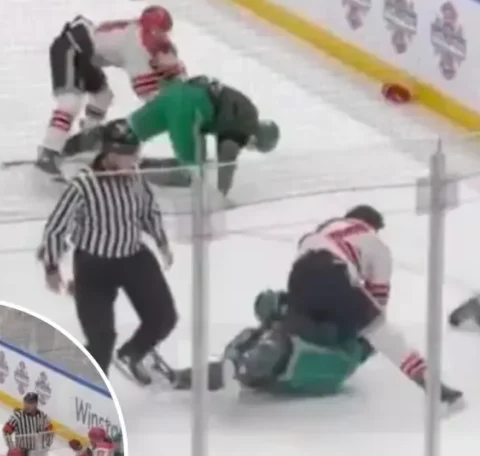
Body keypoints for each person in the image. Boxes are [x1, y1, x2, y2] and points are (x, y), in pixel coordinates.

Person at [169, 206, 465, 408]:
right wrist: (363, 320)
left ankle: (240, 361)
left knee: (293, 331)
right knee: (383, 335)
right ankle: (431, 384)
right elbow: (378, 303)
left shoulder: (326, 229)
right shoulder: (375, 243)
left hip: (300, 275)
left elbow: (306, 254)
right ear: (373, 226)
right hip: (333, 274)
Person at [38, 121, 176, 382]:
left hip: (134, 257)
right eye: (128, 154)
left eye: (136, 152)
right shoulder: (84, 184)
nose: (134, 159)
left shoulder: (135, 177)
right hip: (94, 266)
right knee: (101, 339)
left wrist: (161, 242)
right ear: (110, 154)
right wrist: (52, 267)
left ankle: (132, 353)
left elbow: (149, 211)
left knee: (163, 317)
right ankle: (82, 384)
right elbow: (56, 226)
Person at [63, 76, 281, 196]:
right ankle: (136, 171)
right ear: (257, 140)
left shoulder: (246, 108)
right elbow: (227, 158)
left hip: (177, 92)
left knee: (127, 130)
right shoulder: (245, 126)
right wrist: (222, 194)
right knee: (192, 172)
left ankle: (68, 149)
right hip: (190, 111)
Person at [38, 0, 184, 177]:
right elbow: (145, 90)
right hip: (72, 45)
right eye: (157, 31)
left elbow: (174, 75)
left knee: (102, 97)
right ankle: (48, 151)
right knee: (70, 102)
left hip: (86, 50)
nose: (161, 36)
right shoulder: (135, 44)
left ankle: (86, 139)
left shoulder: (149, 39)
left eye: (164, 32)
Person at [2, 392, 54, 456]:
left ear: (35, 404)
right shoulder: (17, 417)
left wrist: (46, 446)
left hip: (38, 452)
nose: (26, 406)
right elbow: (6, 431)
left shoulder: (43, 417)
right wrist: (12, 447)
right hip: (23, 452)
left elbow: (50, 432)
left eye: (29, 403)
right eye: (25, 403)